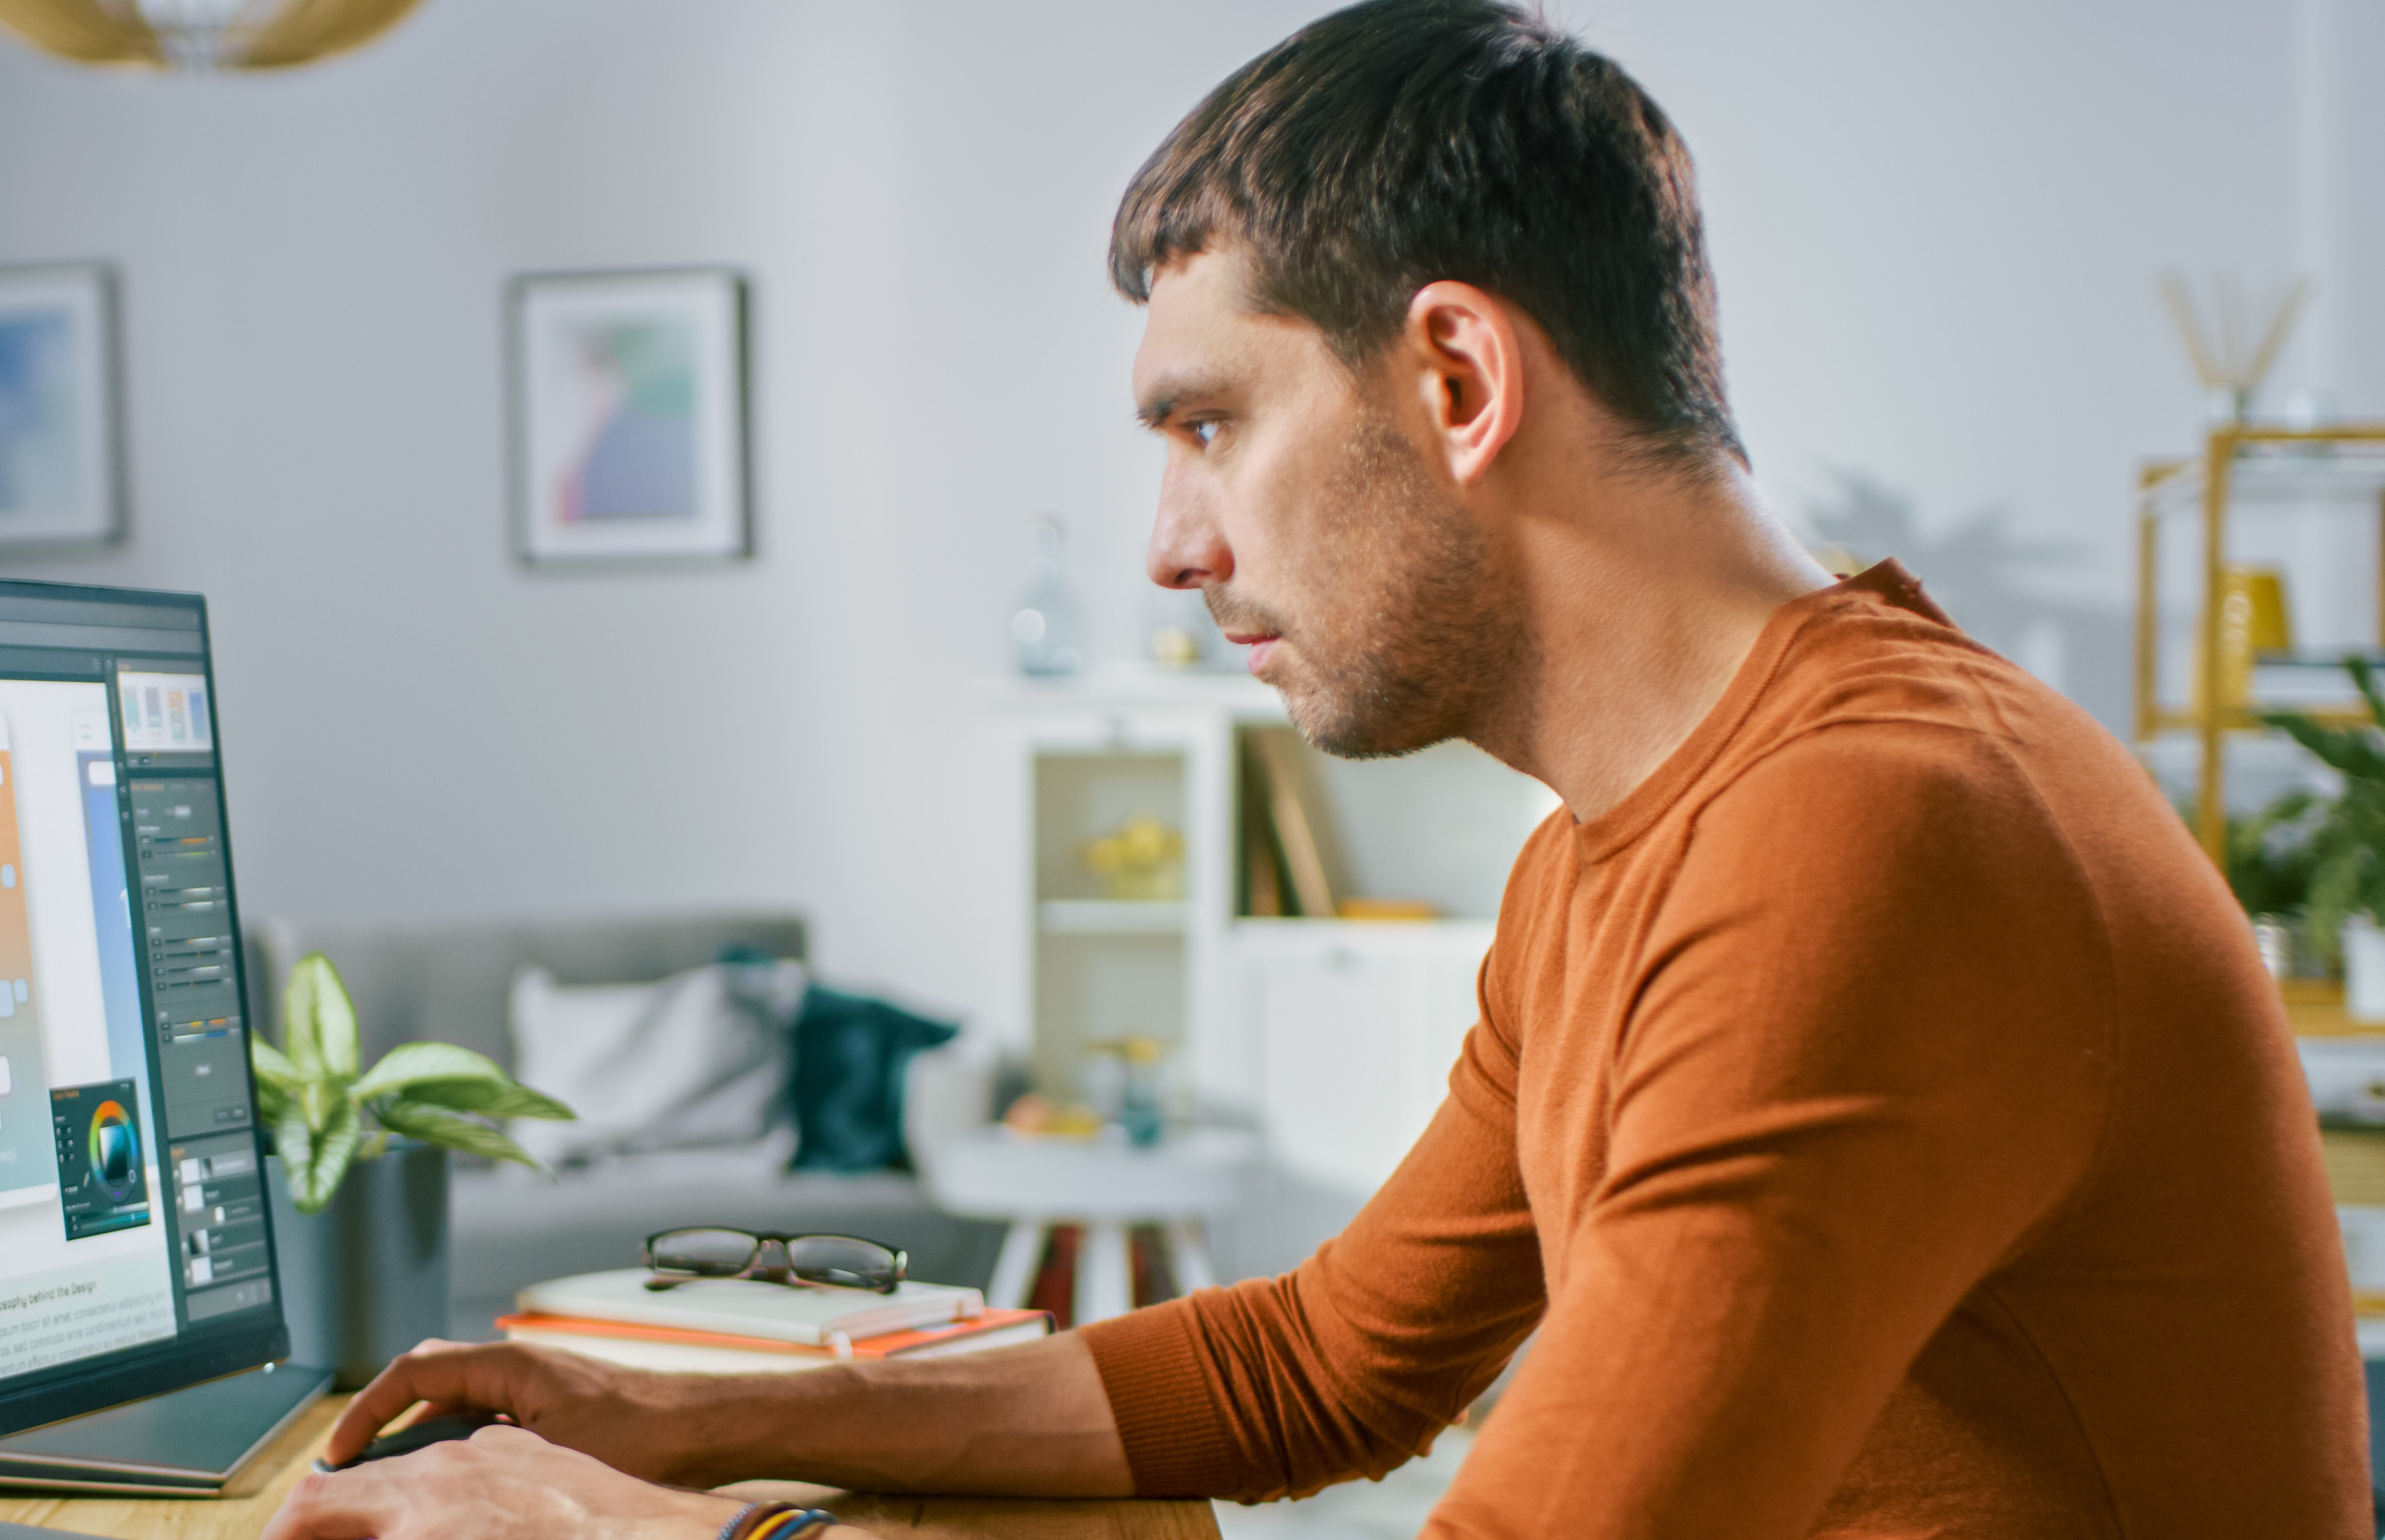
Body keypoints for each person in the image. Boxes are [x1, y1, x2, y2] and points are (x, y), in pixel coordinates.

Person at [261, 1, 2371, 1535]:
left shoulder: (1875, 832)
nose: (1173, 548)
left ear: (1455, 375)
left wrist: (642, 1536)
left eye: (1207, 426)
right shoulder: (1620, 859)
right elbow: (1317, 1362)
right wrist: (673, 1418)